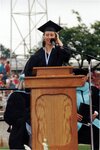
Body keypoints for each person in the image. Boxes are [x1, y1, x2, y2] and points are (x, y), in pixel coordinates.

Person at [4, 20, 71, 149]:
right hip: (38, 94)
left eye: (52, 35)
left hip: (56, 92)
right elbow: (28, 74)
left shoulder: (58, 52)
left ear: (55, 37)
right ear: (43, 37)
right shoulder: (37, 55)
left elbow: (67, 56)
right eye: (47, 35)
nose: (49, 37)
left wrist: (60, 43)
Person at [74, 68, 100, 150]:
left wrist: (95, 114)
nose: (81, 79)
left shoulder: (93, 90)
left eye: (82, 77)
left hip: (92, 120)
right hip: (76, 122)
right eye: (78, 77)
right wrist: (73, 114)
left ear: (86, 77)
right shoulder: (69, 90)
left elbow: (98, 105)